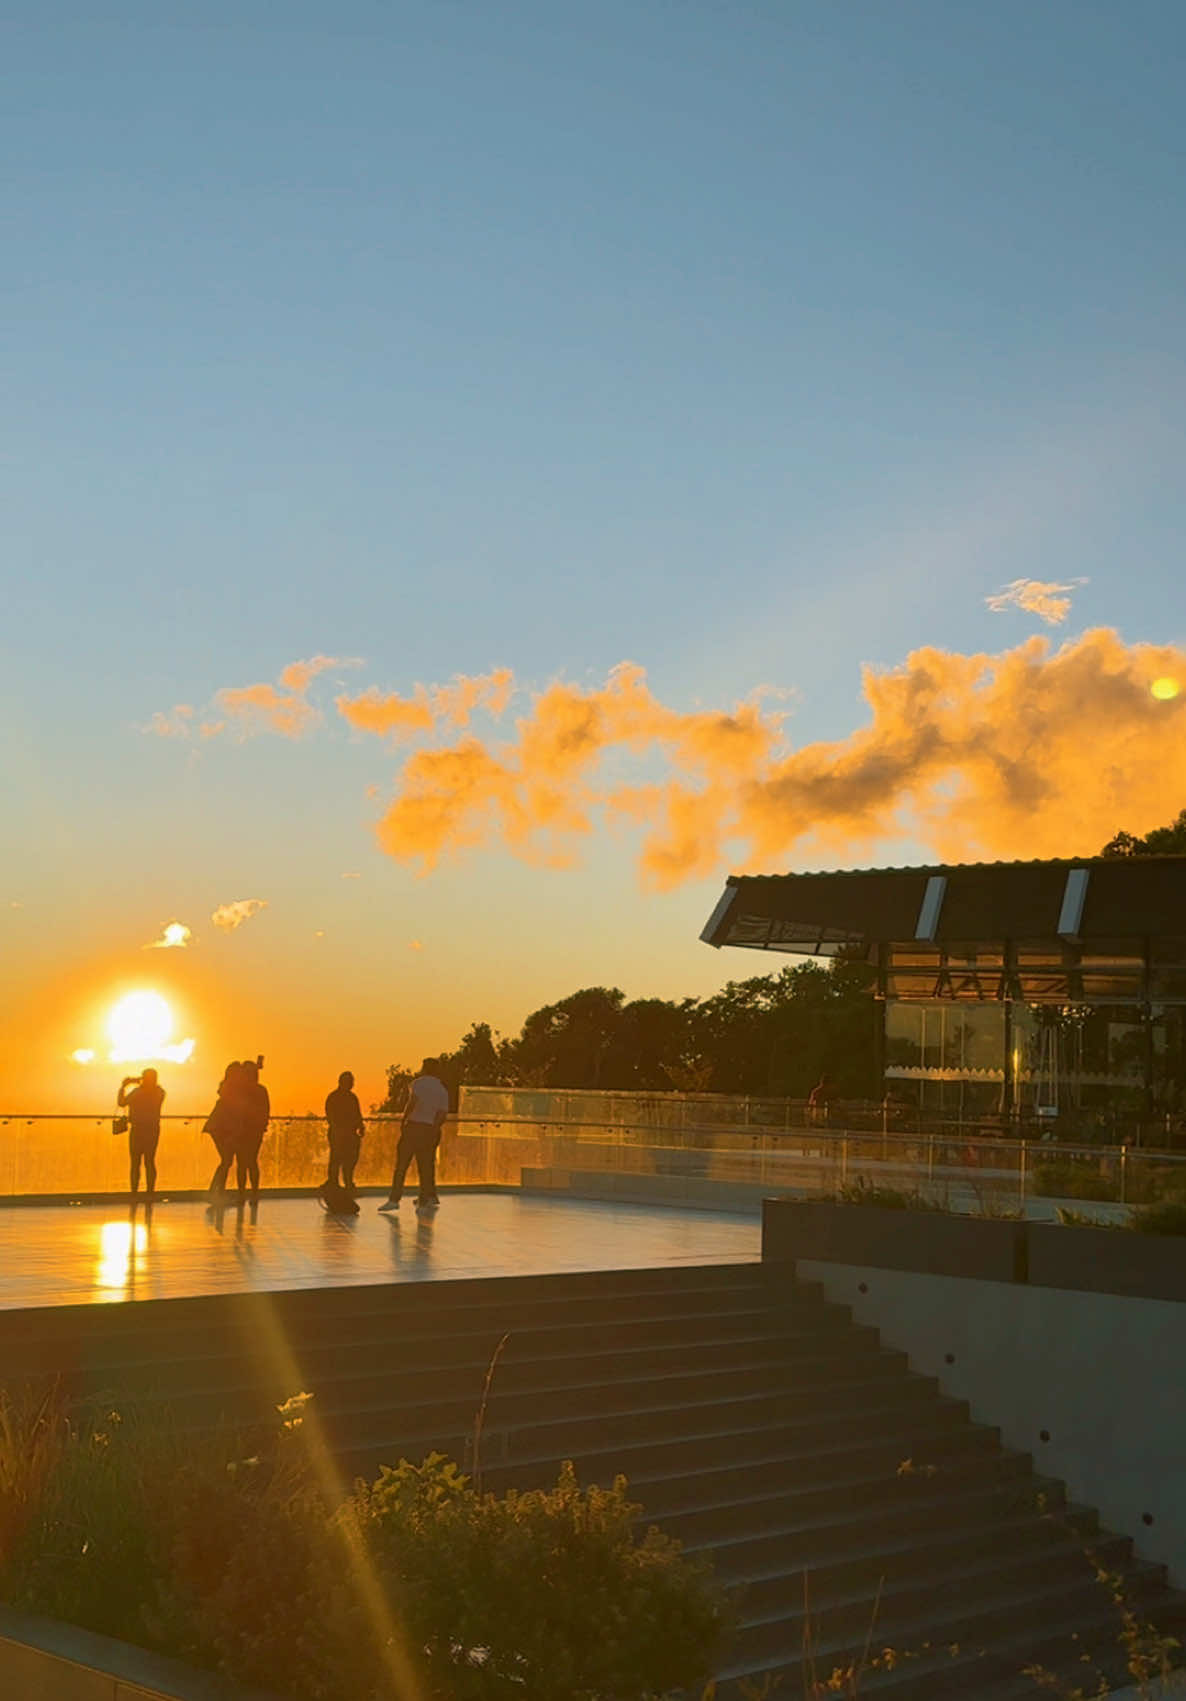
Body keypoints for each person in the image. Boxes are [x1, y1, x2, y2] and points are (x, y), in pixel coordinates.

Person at [379, 1058, 450, 1212]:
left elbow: (412, 1102)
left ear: (424, 1068)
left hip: (413, 1128)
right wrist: (434, 1128)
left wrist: (404, 1121)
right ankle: (424, 1200)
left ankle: (394, 1199)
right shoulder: (442, 1089)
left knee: (402, 1166)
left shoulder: (418, 1084)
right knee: (425, 1167)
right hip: (430, 1129)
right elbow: (442, 1114)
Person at [117, 1068, 165, 1203]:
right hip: (153, 1129)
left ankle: (134, 1193)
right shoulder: (160, 1092)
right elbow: (154, 1091)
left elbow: (121, 1103)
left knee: (135, 1163)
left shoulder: (137, 1093)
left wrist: (124, 1086)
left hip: (137, 1129)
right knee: (150, 1161)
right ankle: (150, 1193)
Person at [204, 1061, 245, 1197]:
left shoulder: (226, 1087)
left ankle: (216, 1191)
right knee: (227, 1161)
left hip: (218, 1127)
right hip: (222, 1128)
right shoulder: (233, 1089)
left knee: (226, 1161)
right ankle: (216, 1191)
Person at [324, 1070, 366, 1194]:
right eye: (350, 1081)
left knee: (348, 1160)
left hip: (348, 1134)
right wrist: (340, 1130)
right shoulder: (335, 1097)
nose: (352, 1084)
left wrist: (360, 1126)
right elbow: (331, 1116)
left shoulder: (351, 1097)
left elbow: (358, 1115)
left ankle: (347, 1183)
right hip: (339, 1134)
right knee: (337, 1159)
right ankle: (335, 1184)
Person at [235, 1058, 270, 1205]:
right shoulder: (260, 1090)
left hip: (242, 1130)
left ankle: (242, 1194)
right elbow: (265, 1110)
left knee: (242, 1164)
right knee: (251, 1162)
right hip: (254, 1131)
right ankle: (253, 1193)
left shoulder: (240, 1091)